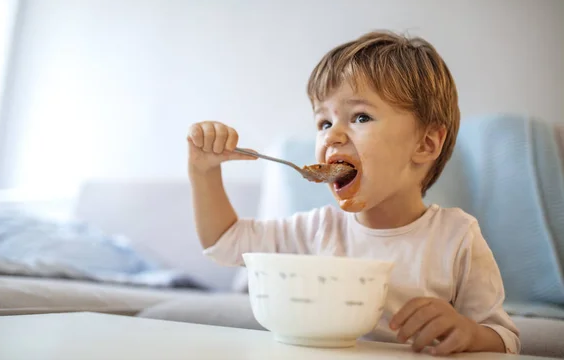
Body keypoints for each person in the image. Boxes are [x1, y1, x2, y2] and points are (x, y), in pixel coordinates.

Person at [186, 31, 520, 356]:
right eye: (324, 123)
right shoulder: (315, 231)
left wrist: (469, 332)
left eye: (360, 117)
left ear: (426, 143)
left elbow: (505, 339)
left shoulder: (457, 238)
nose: (332, 137)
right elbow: (224, 241)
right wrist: (204, 171)